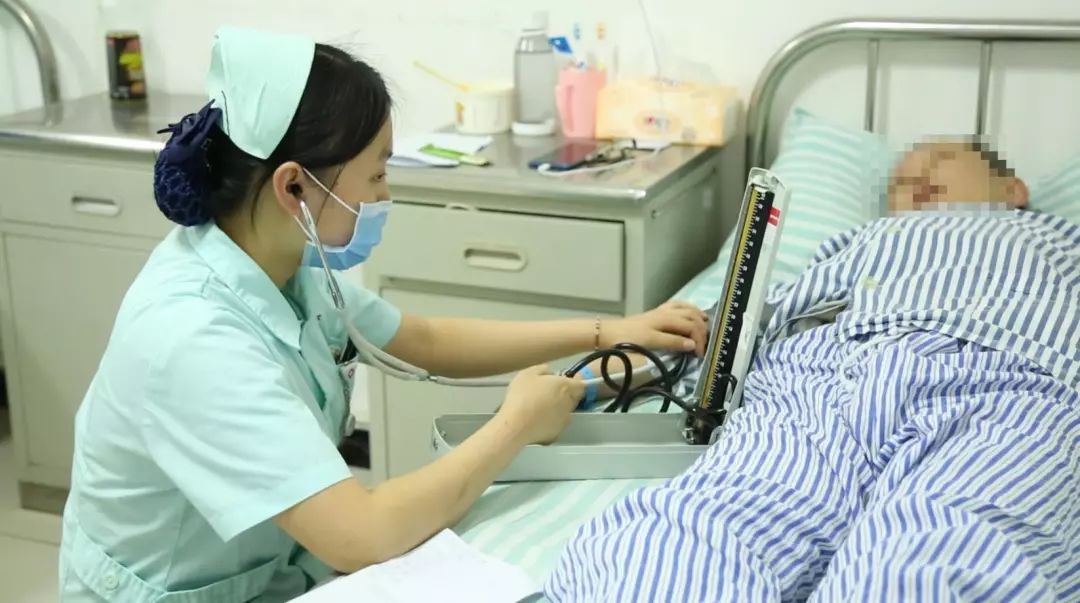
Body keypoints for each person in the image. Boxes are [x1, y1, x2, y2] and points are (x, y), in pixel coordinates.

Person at [58, 27, 709, 602]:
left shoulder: (282, 265)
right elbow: (359, 534)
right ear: (293, 186)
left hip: (265, 572)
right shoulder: (194, 337)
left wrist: (609, 331)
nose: (385, 195)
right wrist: (515, 425)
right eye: (375, 176)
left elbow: (426, 338)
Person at [546, 141, 1080, 601]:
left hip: (1003, 381)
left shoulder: (1059, 241)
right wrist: (601, 376)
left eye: (940, 160)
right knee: (686, 536)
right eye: (899, 181)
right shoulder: (861, 241)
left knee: (939, 553)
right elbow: (749, 319)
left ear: (1012, 189)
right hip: (816, 383)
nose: (915, 176)